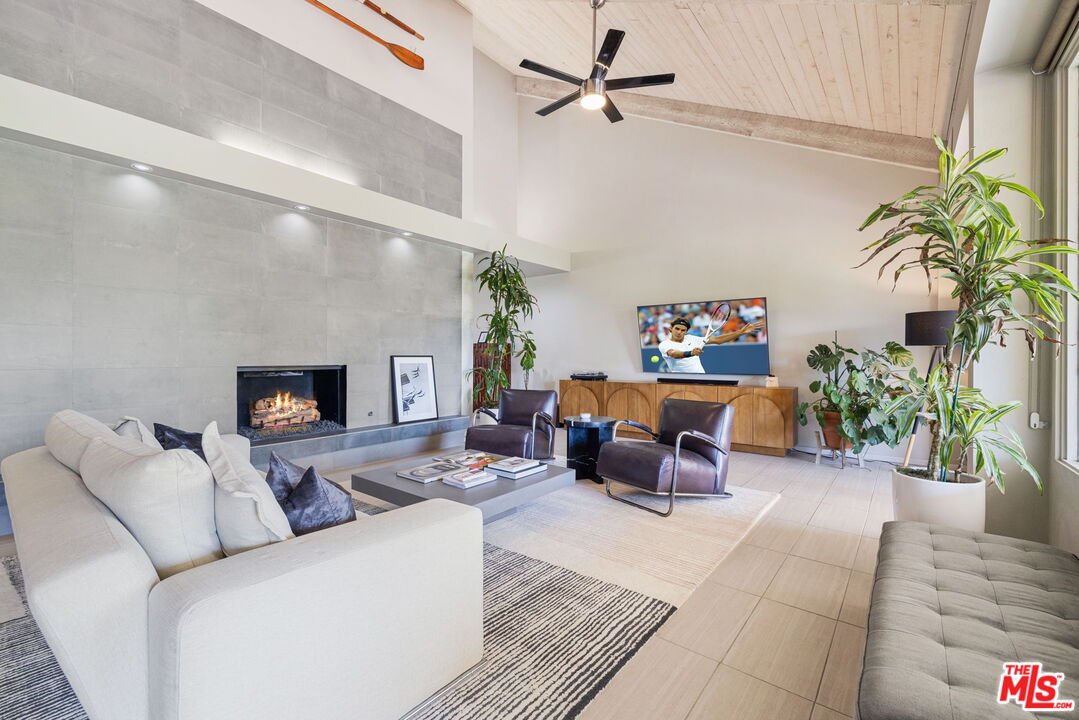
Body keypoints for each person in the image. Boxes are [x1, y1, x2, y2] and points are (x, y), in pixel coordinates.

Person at [658, 316, 765, 373]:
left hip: (701, 378)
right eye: (677, 329)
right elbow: (674, 354)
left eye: (683, 330)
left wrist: (740, 332)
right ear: (670, 329)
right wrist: (691, 353)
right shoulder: (664, 344)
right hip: (680, 381)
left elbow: (718, 340)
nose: (679, 332)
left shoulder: (692, 338)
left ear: (686, 332)